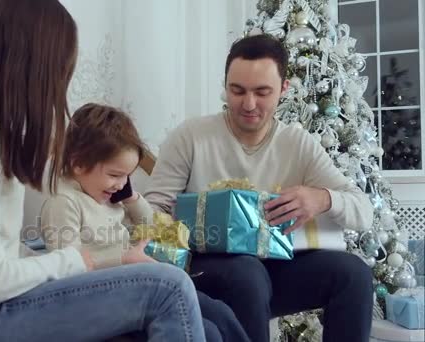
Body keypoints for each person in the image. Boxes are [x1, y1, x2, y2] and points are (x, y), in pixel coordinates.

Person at [0, 1, 207, 341]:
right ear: (37, 65)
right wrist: (71, 261)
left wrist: (63, 262)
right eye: (60, 71)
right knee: (166, 287)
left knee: (189, 307)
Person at [144, 34, 375, 342]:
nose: (248, 104)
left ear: (283, 89)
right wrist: (181, 220)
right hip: (205, 267)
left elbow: (363, 211)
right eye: (236, 90)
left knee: (354, 274)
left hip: (275, 268)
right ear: (225, 85)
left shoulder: (297, 143)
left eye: (262, 92)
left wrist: (322, 198)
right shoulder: (191, 137)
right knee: (246, 274)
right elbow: (151, 210)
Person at [41, 103, 250, 342]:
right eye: (114, 175)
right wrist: (121, 260)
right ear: (78, 163)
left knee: (220, 314)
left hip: (136, 287)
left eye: (126, 176)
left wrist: (131, 198)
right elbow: (65, 268)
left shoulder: (110, 197)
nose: (120, 184)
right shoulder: (63, 202)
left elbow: (151, 224)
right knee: (209, 333)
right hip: (104, 298)